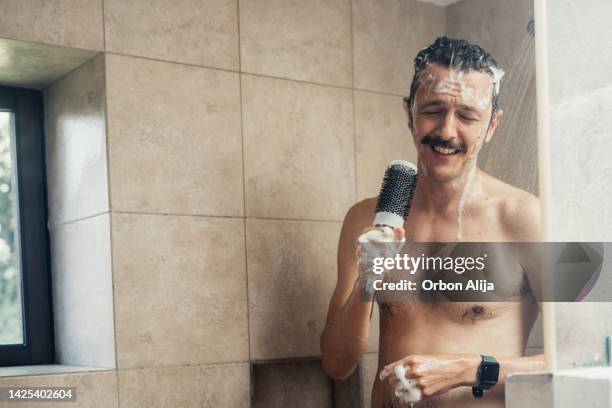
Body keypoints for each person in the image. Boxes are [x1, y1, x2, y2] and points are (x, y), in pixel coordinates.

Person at [320, 37, 544, 407]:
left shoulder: (527, 219)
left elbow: (586, 359)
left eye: (467, 116)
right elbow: (336, 364)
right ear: (409, 113)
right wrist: (367, 280)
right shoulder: (365, 218)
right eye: (433, 110)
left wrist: (465, 370)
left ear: (491, 126)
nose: (447, 131)